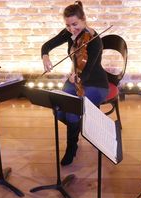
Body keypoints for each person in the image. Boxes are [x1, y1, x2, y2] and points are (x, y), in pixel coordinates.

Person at [41, 1, 109, 166]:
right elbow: (47, 45)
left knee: (71, 112)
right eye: (68, 25)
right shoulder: (68, 33)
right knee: (58, 110)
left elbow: (87, 72)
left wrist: (76, 78)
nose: (72, 29)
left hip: (95, 83)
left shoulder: (94, 41)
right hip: (76, 78)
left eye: (75, 24)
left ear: (84, 19)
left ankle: (72, 147)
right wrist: (45, 56)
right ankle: (81, 123)